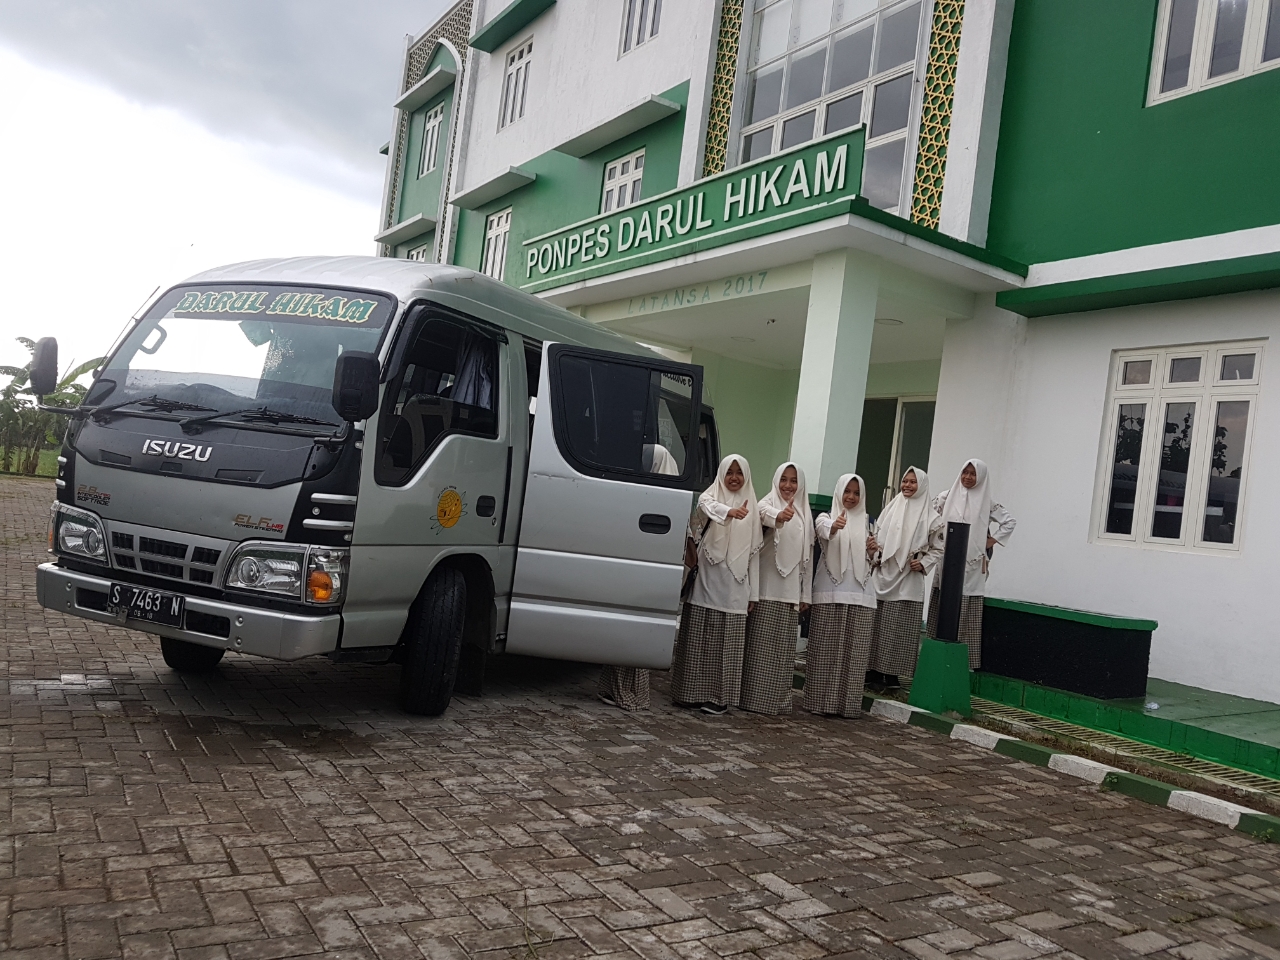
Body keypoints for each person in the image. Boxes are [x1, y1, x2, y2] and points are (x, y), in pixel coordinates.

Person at [671, 454, 762, 715]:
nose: (734, 478)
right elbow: (705, 503)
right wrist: (729, 511)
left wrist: (753, 593)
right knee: (698, 638)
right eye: (729, 472)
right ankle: (689, 692)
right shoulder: (711, 497)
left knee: (725, 644)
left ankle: (719, 698)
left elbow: (754, 555)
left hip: (735, 588)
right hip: (706, 581)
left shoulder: (752, 508)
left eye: (739, 473)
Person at [598, 443, 681, 711]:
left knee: (635, 637)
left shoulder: (669, 503)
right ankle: (613, 689)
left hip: (647, 578)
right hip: (632, 574)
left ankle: (632, 693)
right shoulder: (642, 493)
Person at [926, 459, 1016, 669]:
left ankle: (962, 663)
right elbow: (929, 518)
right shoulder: (945, 497)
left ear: (981, 477)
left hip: (973, 565)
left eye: (972, 474)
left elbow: (1009, 521)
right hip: (947, 560)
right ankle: (936, 656)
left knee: (966, 608)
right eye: (964, 472)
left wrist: (990, 540)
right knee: (944, 604)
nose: (967, 477)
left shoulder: (988, 503)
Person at [802, 474, 879, 717]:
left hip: (861, 596)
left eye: (857, 493)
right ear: (838, 492)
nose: (852, 497)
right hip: (830, 594)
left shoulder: (869, 523)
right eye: (848, 491)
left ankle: (847, 706)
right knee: (825, 651)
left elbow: (875, 561)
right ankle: (819, 702)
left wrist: (872, 551)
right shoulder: (826, 517)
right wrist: (835, 526)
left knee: (852, 655)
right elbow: (823, 531)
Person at [740, 462, 813, 715]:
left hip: (790, 592)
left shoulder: (805, 514)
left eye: (794, 480)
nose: (788, 485)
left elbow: (808, 557)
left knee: (782, 651)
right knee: (760, 649)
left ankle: (777, 701)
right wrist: (779, 517)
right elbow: (763, 515)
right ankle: (753, 700)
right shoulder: (765, 503)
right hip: (766, 590)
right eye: (784, 479)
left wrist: (805, 594)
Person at [870, 467, 943, 689]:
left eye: (913, 482)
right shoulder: (890, 509)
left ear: (922, 485)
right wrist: (875, 554)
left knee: (900, 629)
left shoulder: (932, 517)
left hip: (908, 580)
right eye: (905, 481)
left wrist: (923, 563)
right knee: (877, 626)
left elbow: (939, 548)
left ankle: (892, 675)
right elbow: (875, 537)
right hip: (883, 575)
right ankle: (872, 671)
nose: (908, 486)